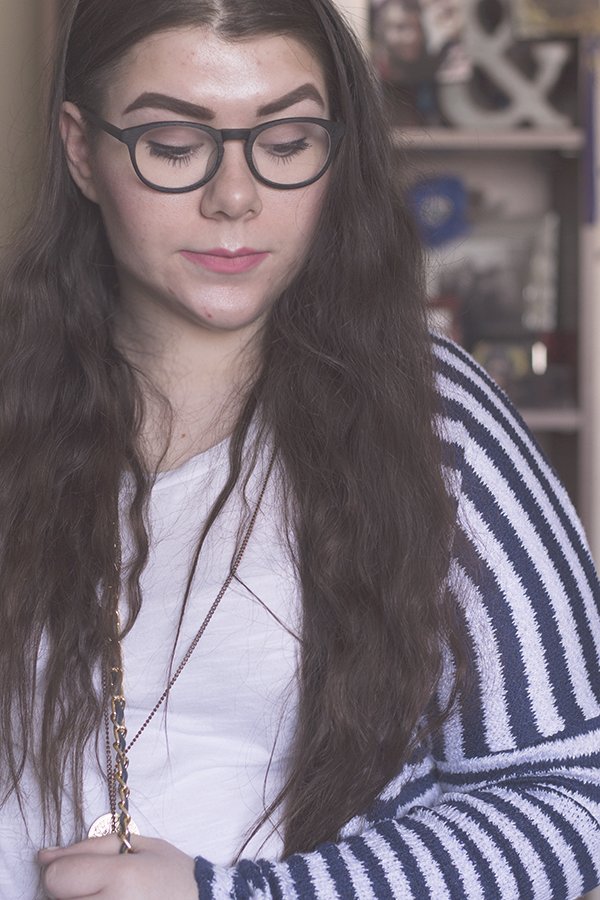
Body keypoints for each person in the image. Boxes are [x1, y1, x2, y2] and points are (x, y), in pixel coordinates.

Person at [0, 0, 598, 897]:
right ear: (83, 150)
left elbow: (570, 791)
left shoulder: (436, 421)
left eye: (285, 144)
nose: (235, 197)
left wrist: (235, 895)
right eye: (174, 145)